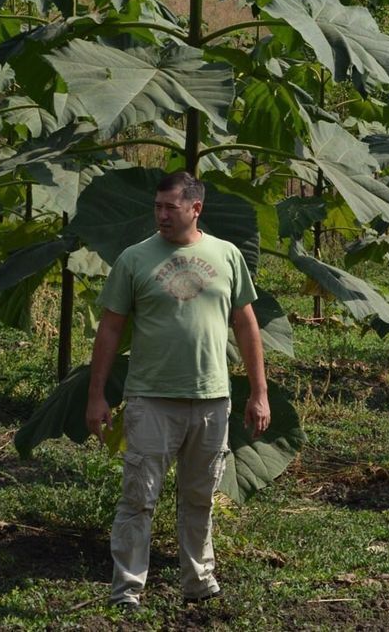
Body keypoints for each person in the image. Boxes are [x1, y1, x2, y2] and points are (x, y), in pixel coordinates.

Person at [85, 170, 270, 609]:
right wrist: (97, 395)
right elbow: (110, 330)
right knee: (138, 497)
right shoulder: (134, 259)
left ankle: (199, 581)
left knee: (200, 496)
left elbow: (246, 325)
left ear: (196, 208)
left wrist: (258, 391)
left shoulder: (226, 256)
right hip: (151, 399)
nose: (161, 215)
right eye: (157, 206)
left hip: (212, 397)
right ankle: (128, 589)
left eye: (170, 207)